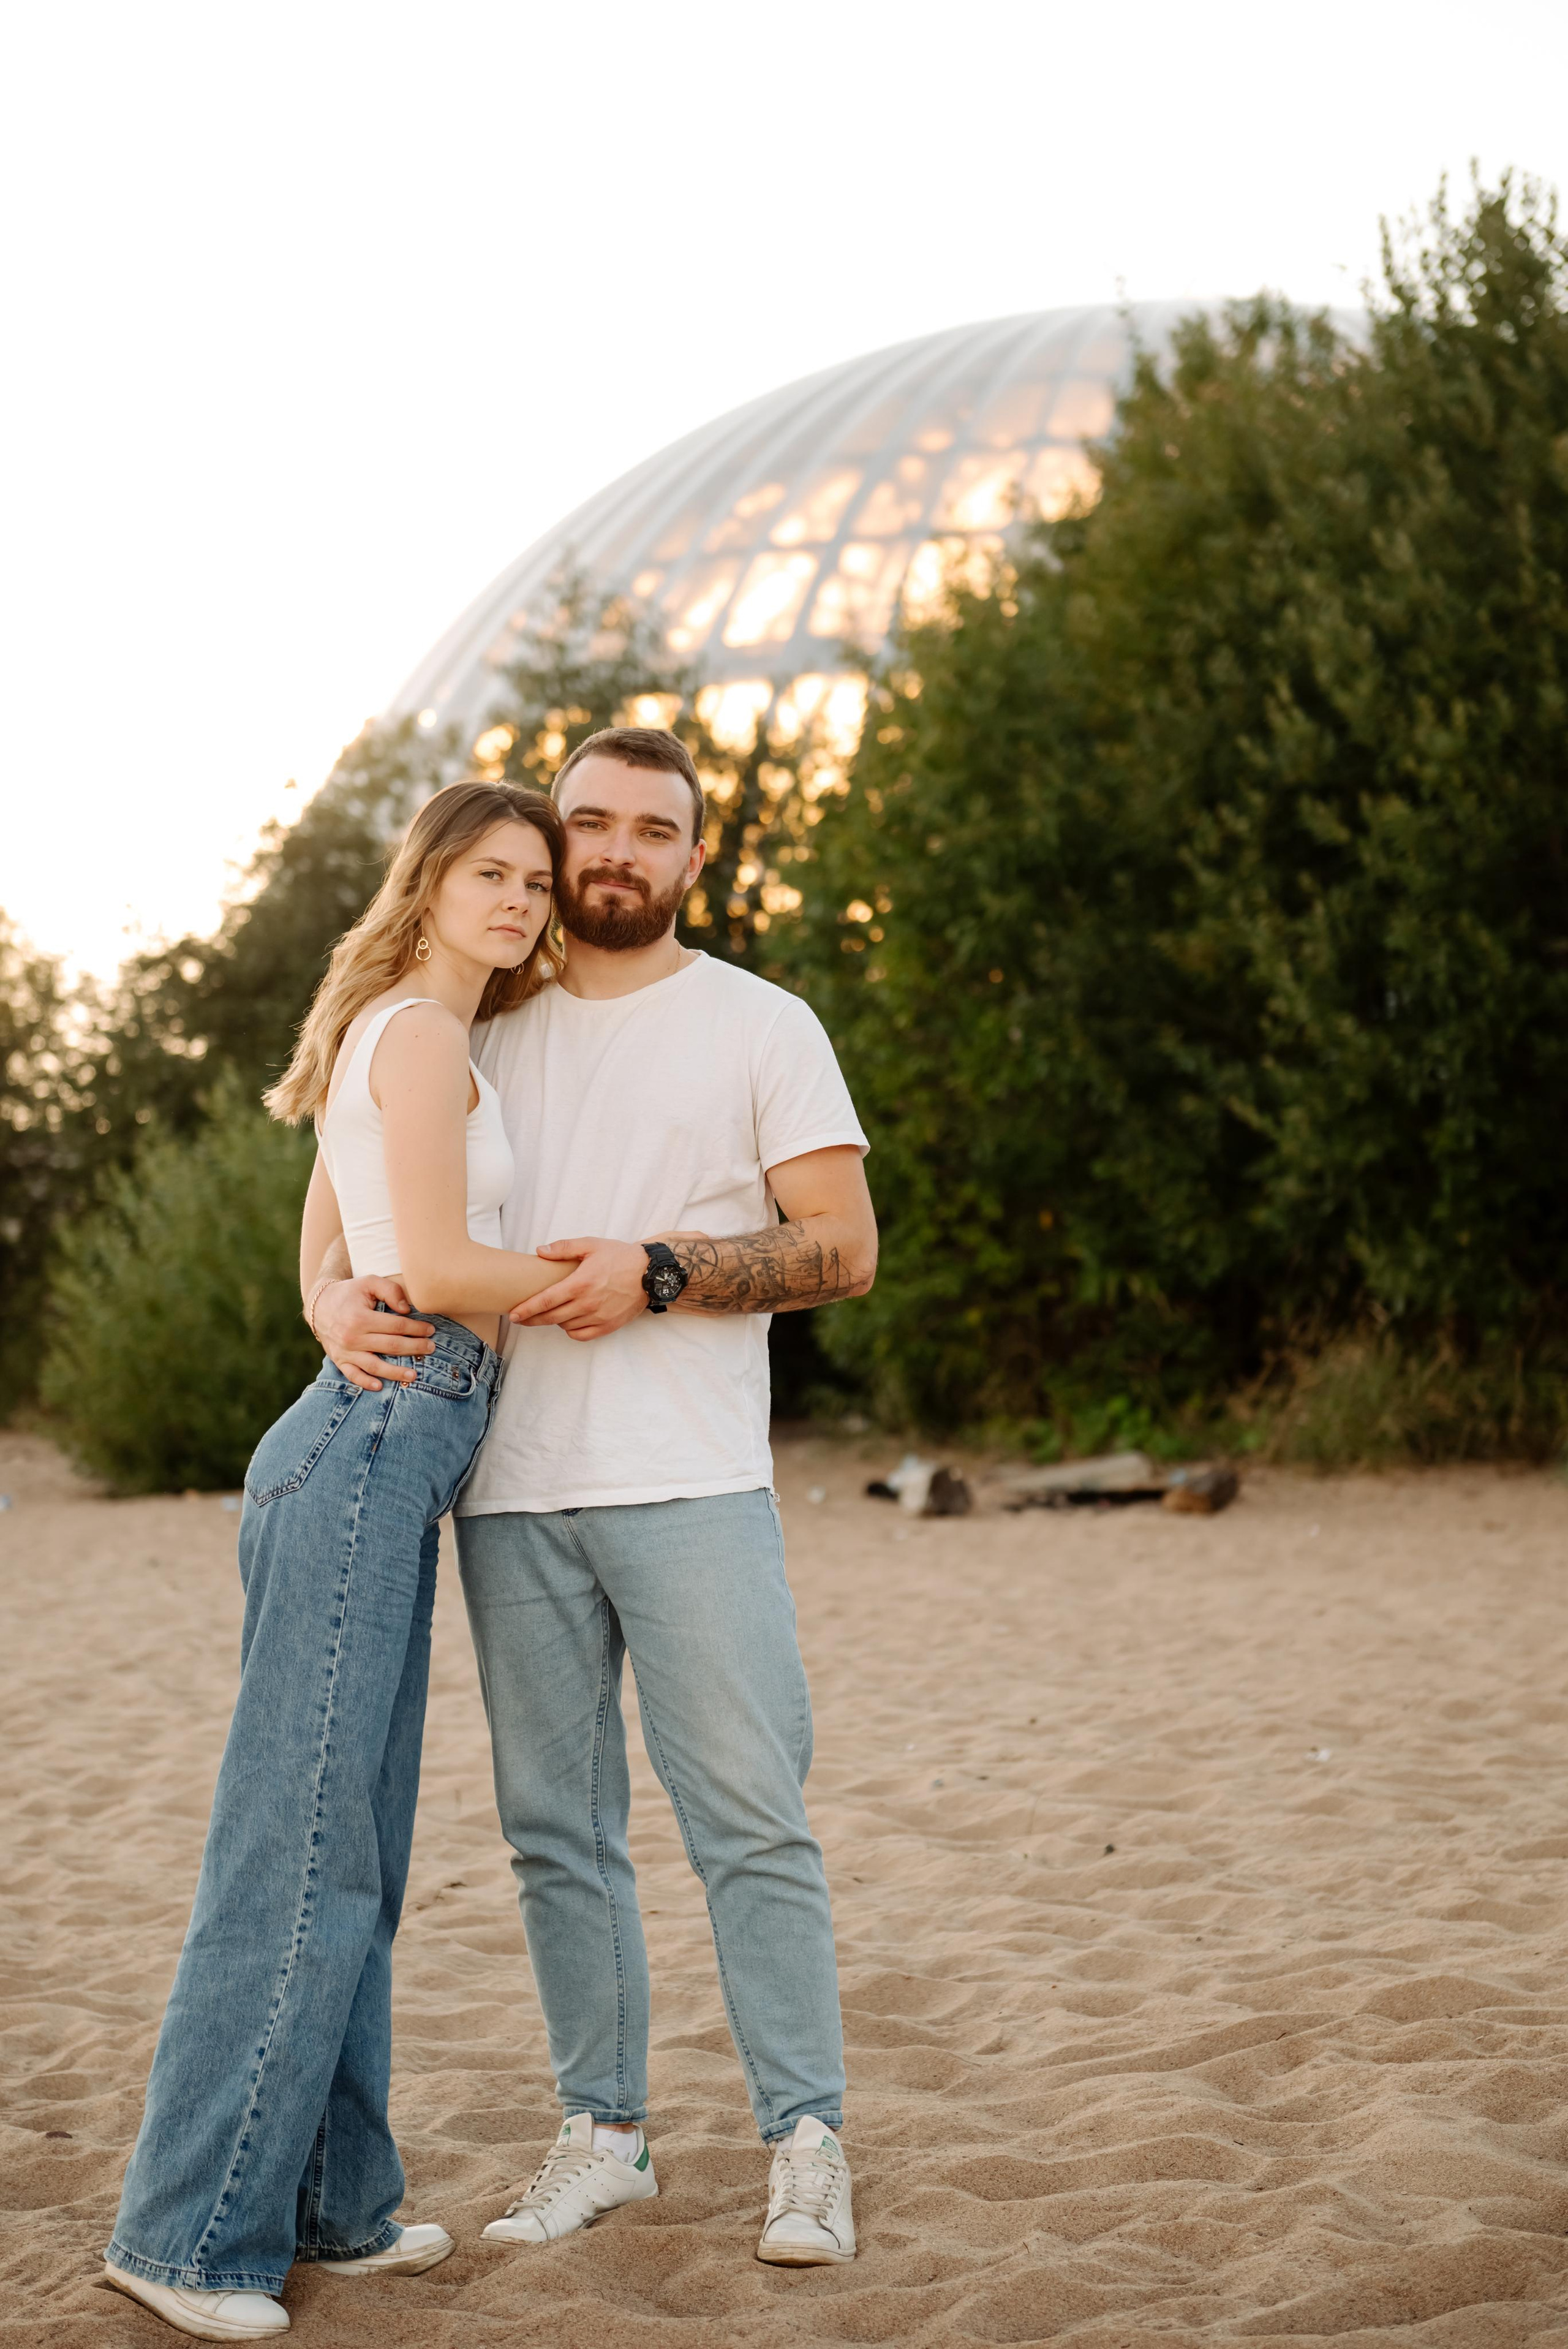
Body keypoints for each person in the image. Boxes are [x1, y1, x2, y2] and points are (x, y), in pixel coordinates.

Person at [309, 725, 876, 2268]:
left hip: (692, 1479)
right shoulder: (476, 1024)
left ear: (698, 857)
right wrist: (322, 1303)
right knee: (556, 1833)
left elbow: (840, 1246)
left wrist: (668, 1270)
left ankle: (803, 2143)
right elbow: (350, 1178)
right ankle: (604, 2135)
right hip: (506, 1481)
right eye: (587, 826)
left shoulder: (764, 1024)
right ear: (549, 846)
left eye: (652, 829)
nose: (614, 852)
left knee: (748, 1823)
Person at [104, 781, 576, 2343]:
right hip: (375, 1450)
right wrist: (608, 1278)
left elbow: (333, 1256)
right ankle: (183, 2235)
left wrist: (329, 1310)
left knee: (350, 1848)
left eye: (537, 879)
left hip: (367, 1448)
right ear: (431, 881)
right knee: (300, 1851)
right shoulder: (424, 1035)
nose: (518, 900)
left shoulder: (398, 1025)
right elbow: (431, 1270)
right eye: (491, 872)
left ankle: (334, 2208)